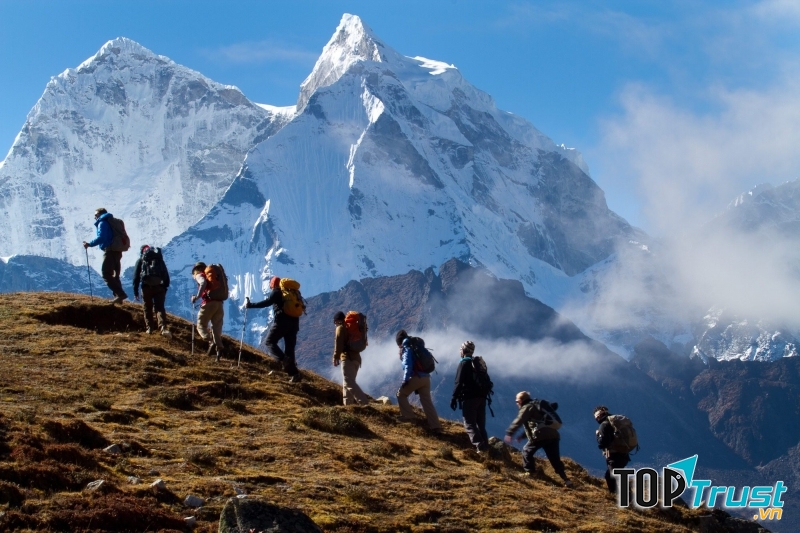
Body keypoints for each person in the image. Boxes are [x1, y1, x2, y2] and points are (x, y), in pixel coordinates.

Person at [504, 391, 573, 487]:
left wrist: (510, 433)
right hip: (553, 434)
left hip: (541, 434)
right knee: (554, 459)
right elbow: (537, 424)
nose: (516, 403)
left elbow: (519, 420)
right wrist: (522, 436)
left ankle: (530, 472)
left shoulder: (527, 407)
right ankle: (566, 479)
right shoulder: (537, 406)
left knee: (526, 450)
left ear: (520, 400)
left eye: (516, 401)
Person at [246, 276, 301, 383]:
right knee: (289, 349)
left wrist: (250, 305)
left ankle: (283, 359)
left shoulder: (276, 292)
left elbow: (267, 302)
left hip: (281, 322)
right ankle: (295, 374)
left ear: (272, 284)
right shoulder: (292, 293)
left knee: (270, 341)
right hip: (294, 324)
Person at [395, 329, 441, 432]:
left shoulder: (407, 347)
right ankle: (436, 426)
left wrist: (405, 380)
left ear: (399, 342)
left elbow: (408, 365)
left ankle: (408, 416)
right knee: (427, 402)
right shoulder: (416, 345)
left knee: (400, 394)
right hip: (426, 378)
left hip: (417, 377)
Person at [450, 341, 489, 453]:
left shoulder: (464, 364)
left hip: (470, 398)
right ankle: (486, 448)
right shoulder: (477, 364)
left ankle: (480, 446)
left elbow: (458, 382)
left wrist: (454, 398)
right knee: (481, 425)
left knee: (469, 423)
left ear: (463, 351)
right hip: (482, 397)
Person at [82, 207, 128, 304]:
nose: (95, 217)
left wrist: (89, 244)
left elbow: (101, 237)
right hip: (117, 250)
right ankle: (118, 299)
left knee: (106, 273)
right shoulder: (113, 222)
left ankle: (120, 294)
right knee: (115, 275)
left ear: (99, 214)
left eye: (95, 215)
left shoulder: (102, 222)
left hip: (110, 250)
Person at [132, 245, 172, 338]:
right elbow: (166, 275)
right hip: (160, 287)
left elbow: (135, 277)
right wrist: (165, 287)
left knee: (147, 307)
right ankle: (163, 328)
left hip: (146, 287)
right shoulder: (159, 260)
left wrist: (136, 291)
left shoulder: (141, 260)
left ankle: (150, 328)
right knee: (160, 308)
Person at [332, 311, 370, 405]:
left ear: (337, 320)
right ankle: (348, 406)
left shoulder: (340, 328)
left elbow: (338, 344)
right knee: (347, 383)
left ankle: (364, 403)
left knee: (349, 382)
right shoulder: (350, 328)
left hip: (347, 358)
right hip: (356, 359)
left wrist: (336, 357)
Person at [190, 262, 224, 361]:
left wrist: (197, 297)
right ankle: (219, 352)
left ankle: (210, 341)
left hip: (209, 303)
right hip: (219, 304)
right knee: (216, 329)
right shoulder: (214, 277)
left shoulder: (200, 275)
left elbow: (203, 283)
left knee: (201, 325)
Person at [594, 405, 631, 494]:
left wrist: (598, 435)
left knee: (614, 476)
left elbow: (603, 442)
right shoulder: (615, 423)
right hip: (623, 453)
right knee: (611, 476)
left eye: (597, 416)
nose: (597, 418)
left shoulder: (604, 425)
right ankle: (618, 494)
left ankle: (626, 497)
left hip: (614, 455)